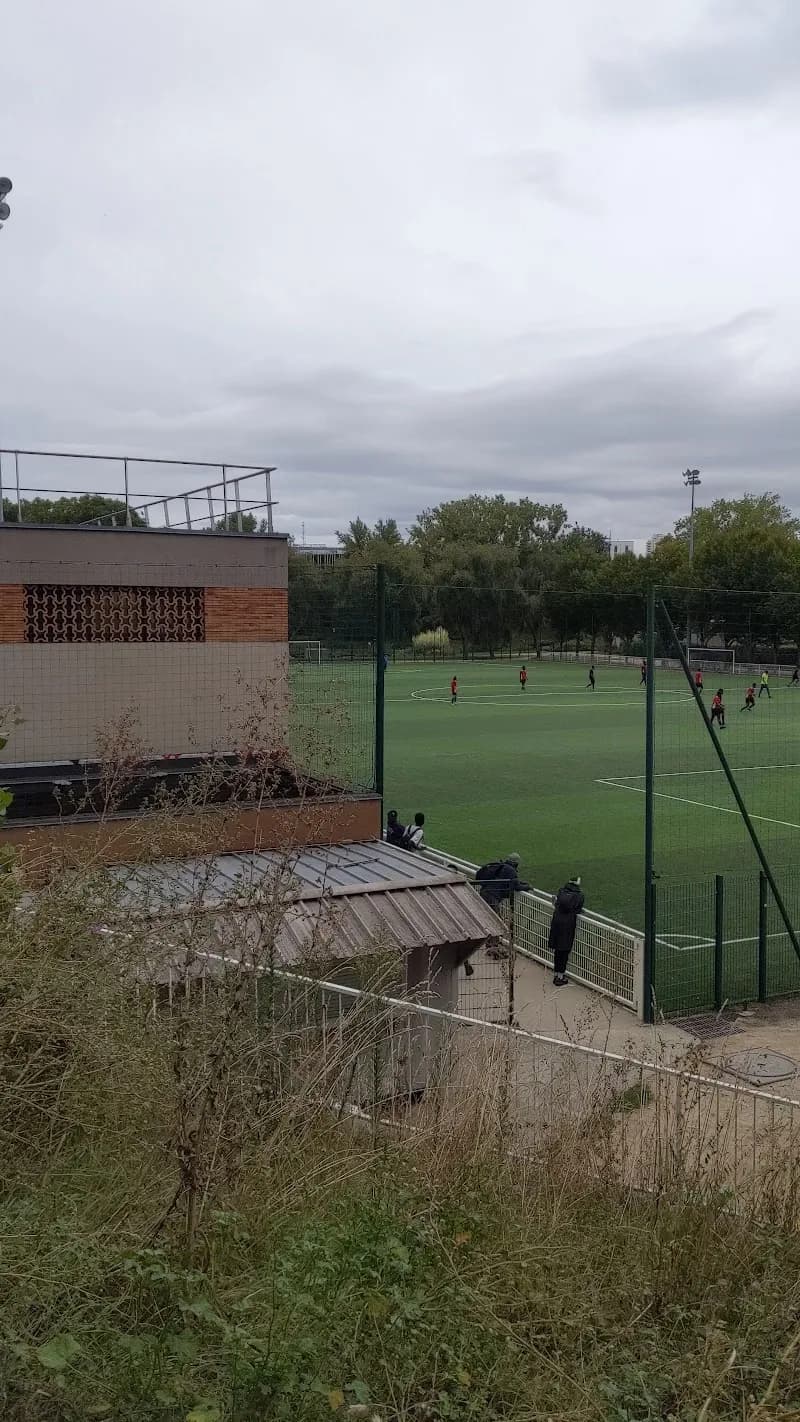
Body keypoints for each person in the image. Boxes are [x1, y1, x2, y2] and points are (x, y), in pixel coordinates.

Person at [548, 876, 585, 986]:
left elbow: (558, 904)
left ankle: (556, 974)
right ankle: (560, 976)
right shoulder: (579, 896)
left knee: (558, 951)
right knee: (564, 952)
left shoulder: (561, 891)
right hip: (568, 925)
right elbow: (578, 909)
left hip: (557, 922)